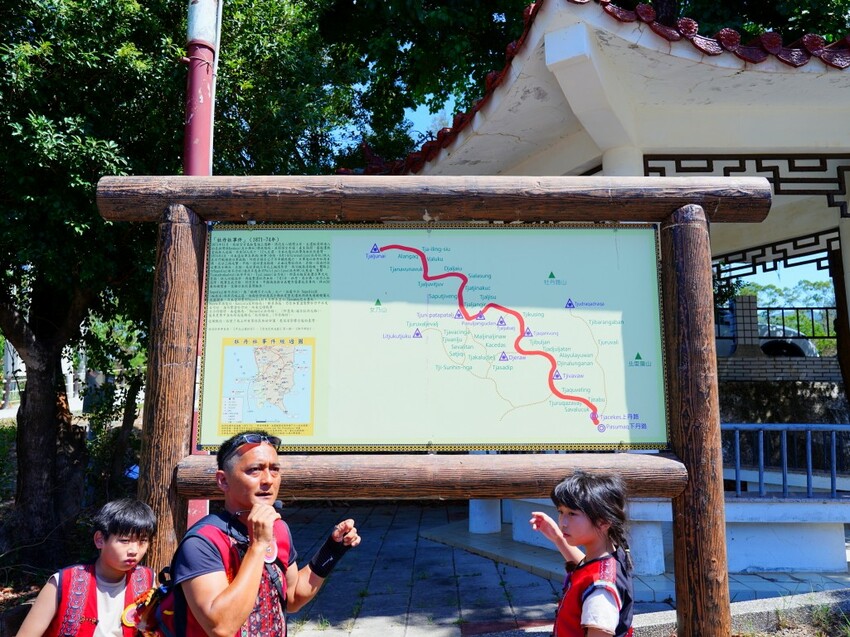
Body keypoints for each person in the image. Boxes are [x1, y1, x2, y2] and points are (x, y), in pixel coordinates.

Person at [171, 430, 361, 637]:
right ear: (223, 481)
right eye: (255, 470)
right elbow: (221, 626)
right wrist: (258, 545)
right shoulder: (202, 542)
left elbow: (293, 597)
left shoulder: (278, 528)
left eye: (275, 469)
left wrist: (332, 550)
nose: (268, 480)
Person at [16, 498, 157, 637]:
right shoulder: (62, 582)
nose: (134, 550)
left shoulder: (149, 580)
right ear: (99, 540)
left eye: (143, 541)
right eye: (124, 541)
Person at [529, 471, 634, 637]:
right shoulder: (610, 554)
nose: (562, 522)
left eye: (572, 514)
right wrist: (558, 538)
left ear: (604, 521)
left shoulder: (601, 591)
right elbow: (586, 570)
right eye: (560, 512)